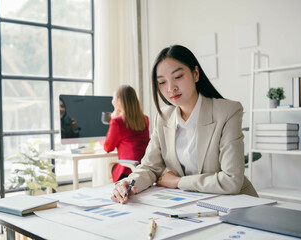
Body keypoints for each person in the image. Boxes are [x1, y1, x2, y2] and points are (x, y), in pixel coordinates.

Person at [112, 45, 258, 204]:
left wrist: (178, 182)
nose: (171, 88)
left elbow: (231, 180)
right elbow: (150, 167)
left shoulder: (227, 111)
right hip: (193, 204)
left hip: (237, 204)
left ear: (196, 74)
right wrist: (128, 182)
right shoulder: (163, 117)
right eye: (162, 82)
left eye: (178, 76)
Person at [104, 85, 150, 182]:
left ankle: (115, 191)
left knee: (110, 166)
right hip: (144, 167)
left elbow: (108, 148)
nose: (112, 101)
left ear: (119, 101)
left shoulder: (117, 122)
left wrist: (113, 119)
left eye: (113, 98)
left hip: (127, 170)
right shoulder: (144, 119)